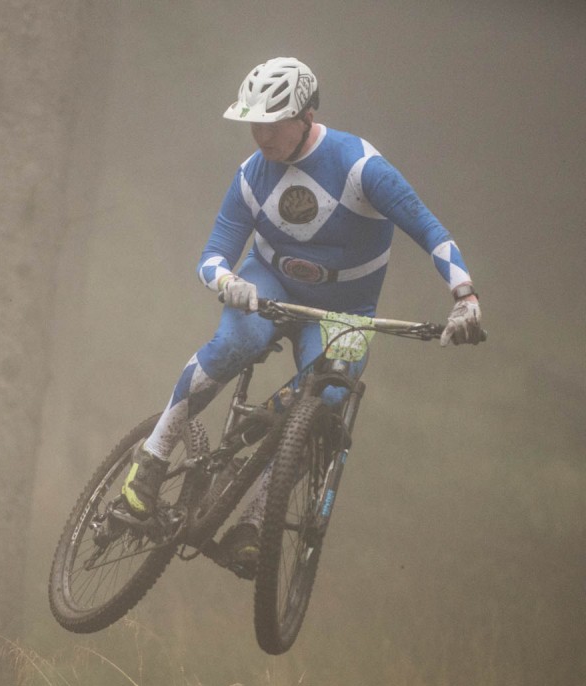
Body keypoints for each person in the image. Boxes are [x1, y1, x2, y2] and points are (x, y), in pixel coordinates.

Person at [118, 57, 484, 574]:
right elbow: (213, 254)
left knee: (329, 397)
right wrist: (229, 282)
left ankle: (256, 517)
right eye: (253, 123)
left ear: (307, 114)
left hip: (346, 307)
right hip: (268, 284)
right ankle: (152, 460)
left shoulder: (360, 166)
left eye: (273, 122)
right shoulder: (250, 175)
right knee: (235, 344)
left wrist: (464, 295)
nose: (261, 135)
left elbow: (430, 230)